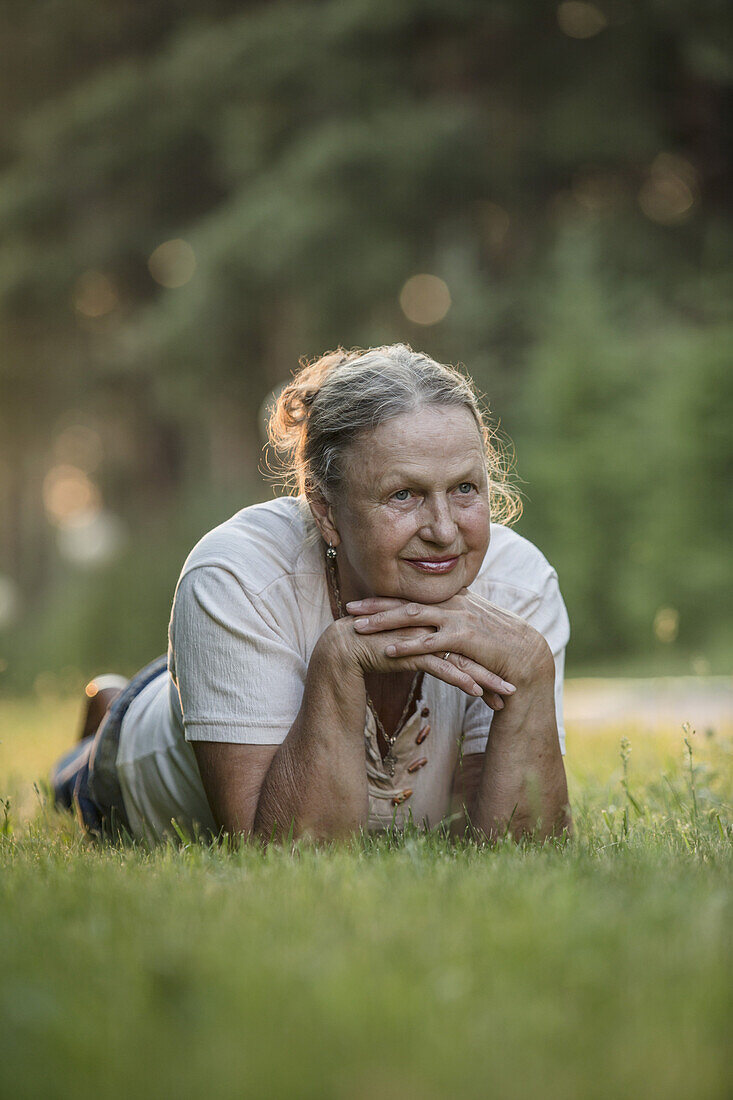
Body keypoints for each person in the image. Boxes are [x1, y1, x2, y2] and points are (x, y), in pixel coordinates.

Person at [52, 344, 571, 844]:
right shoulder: (233, 578)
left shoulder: (518, 585)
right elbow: (286, 857)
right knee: (78, 776)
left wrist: (529, 668)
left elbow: (509, 846)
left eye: (464, 488)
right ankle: (109, 711)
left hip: (248, 661)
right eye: (404, 494)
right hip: (136, 758)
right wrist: (338, 663)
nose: (442, 529)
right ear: (325, 510)